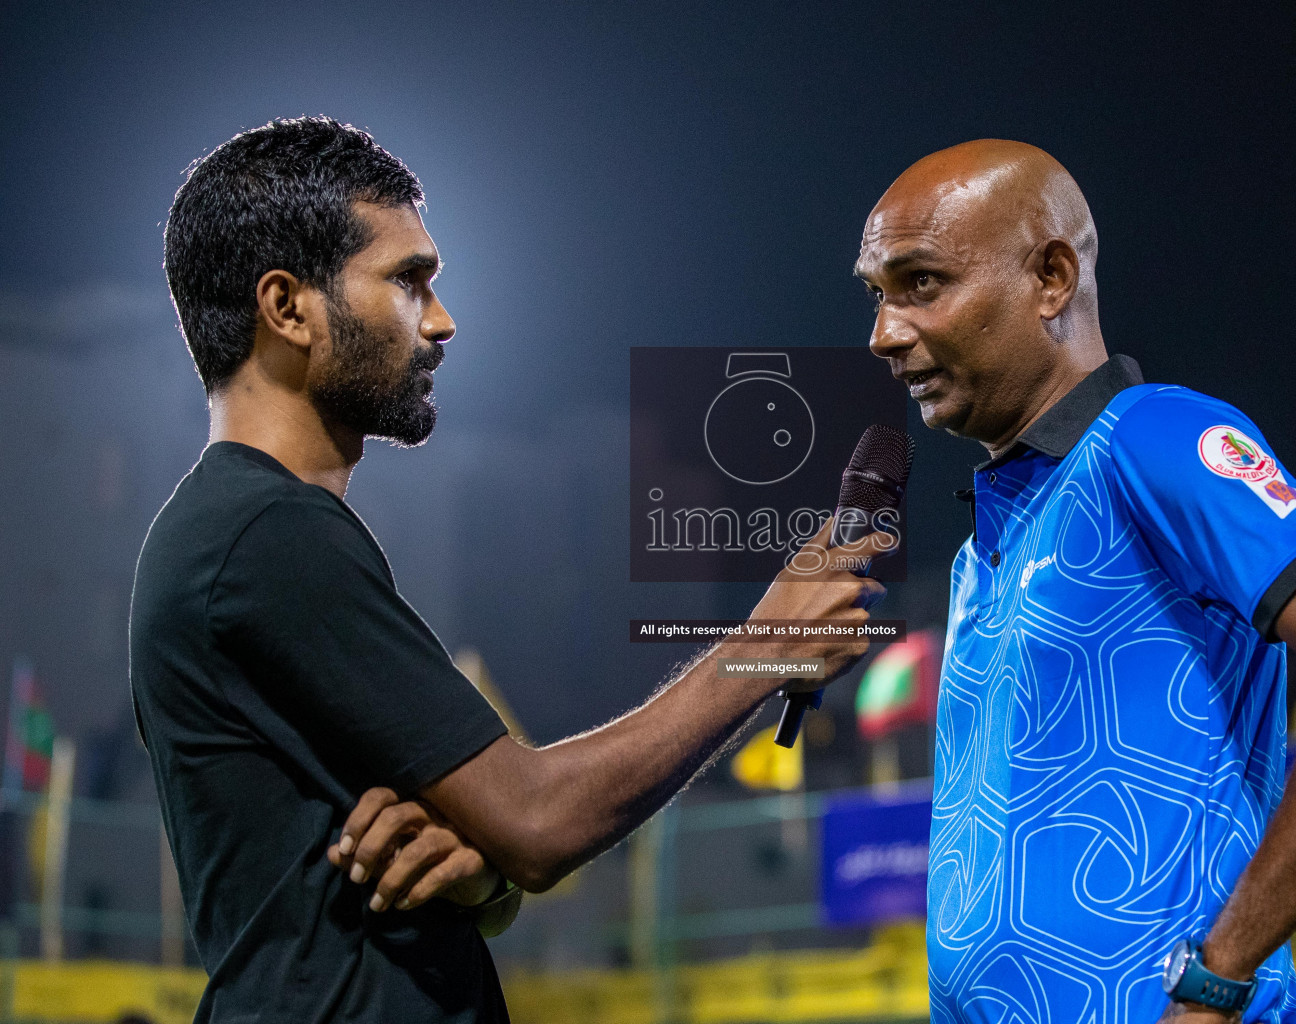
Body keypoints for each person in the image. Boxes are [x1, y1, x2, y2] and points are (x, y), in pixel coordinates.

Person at [130, 116, 886, 1023]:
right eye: (407, 281)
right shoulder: (265, 536)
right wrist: (767, 649)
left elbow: (480, 852)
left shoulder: (244, 530)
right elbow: (537, 822)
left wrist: (479, 864)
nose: (442, 321)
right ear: (288, 308)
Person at [853, 140, 1296, 1023]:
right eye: (877, 293)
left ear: (1052, 277)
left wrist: (1220, 978)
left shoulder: (1153, 437)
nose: (883, 333)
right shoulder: (981, 550)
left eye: (921, 284)